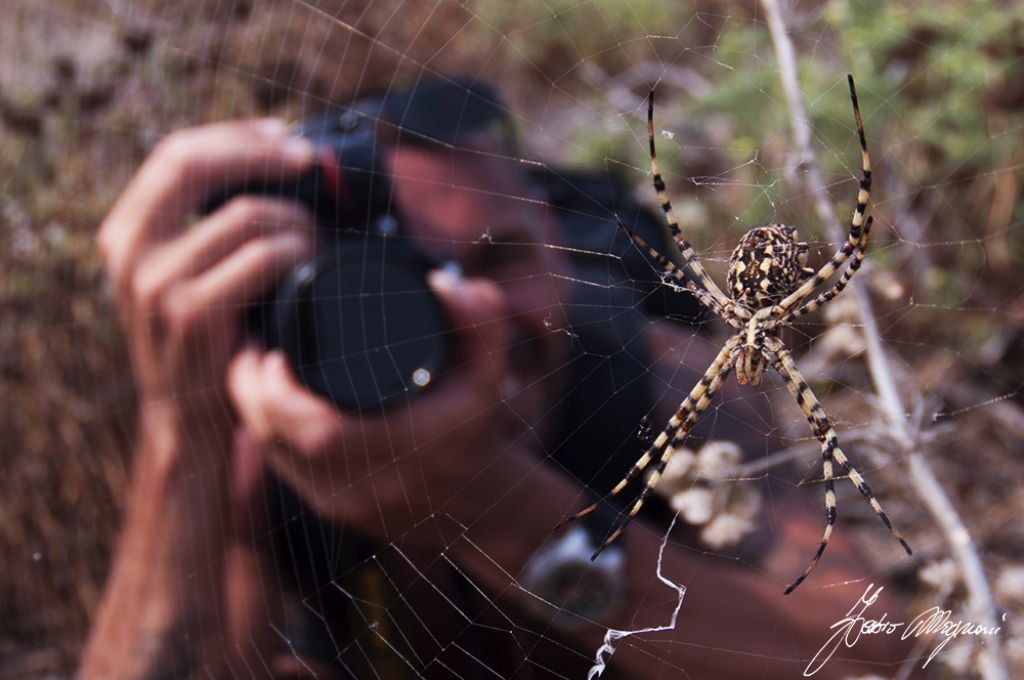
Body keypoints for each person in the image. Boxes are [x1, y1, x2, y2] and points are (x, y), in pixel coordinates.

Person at [80, 80, 923, 679]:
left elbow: (874, 655)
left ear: (559, 245)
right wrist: (178, 429)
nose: (476, 315)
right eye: (412, 284)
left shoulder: (652, 376)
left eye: (503, 258)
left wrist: (491, 504)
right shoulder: (285, 443)